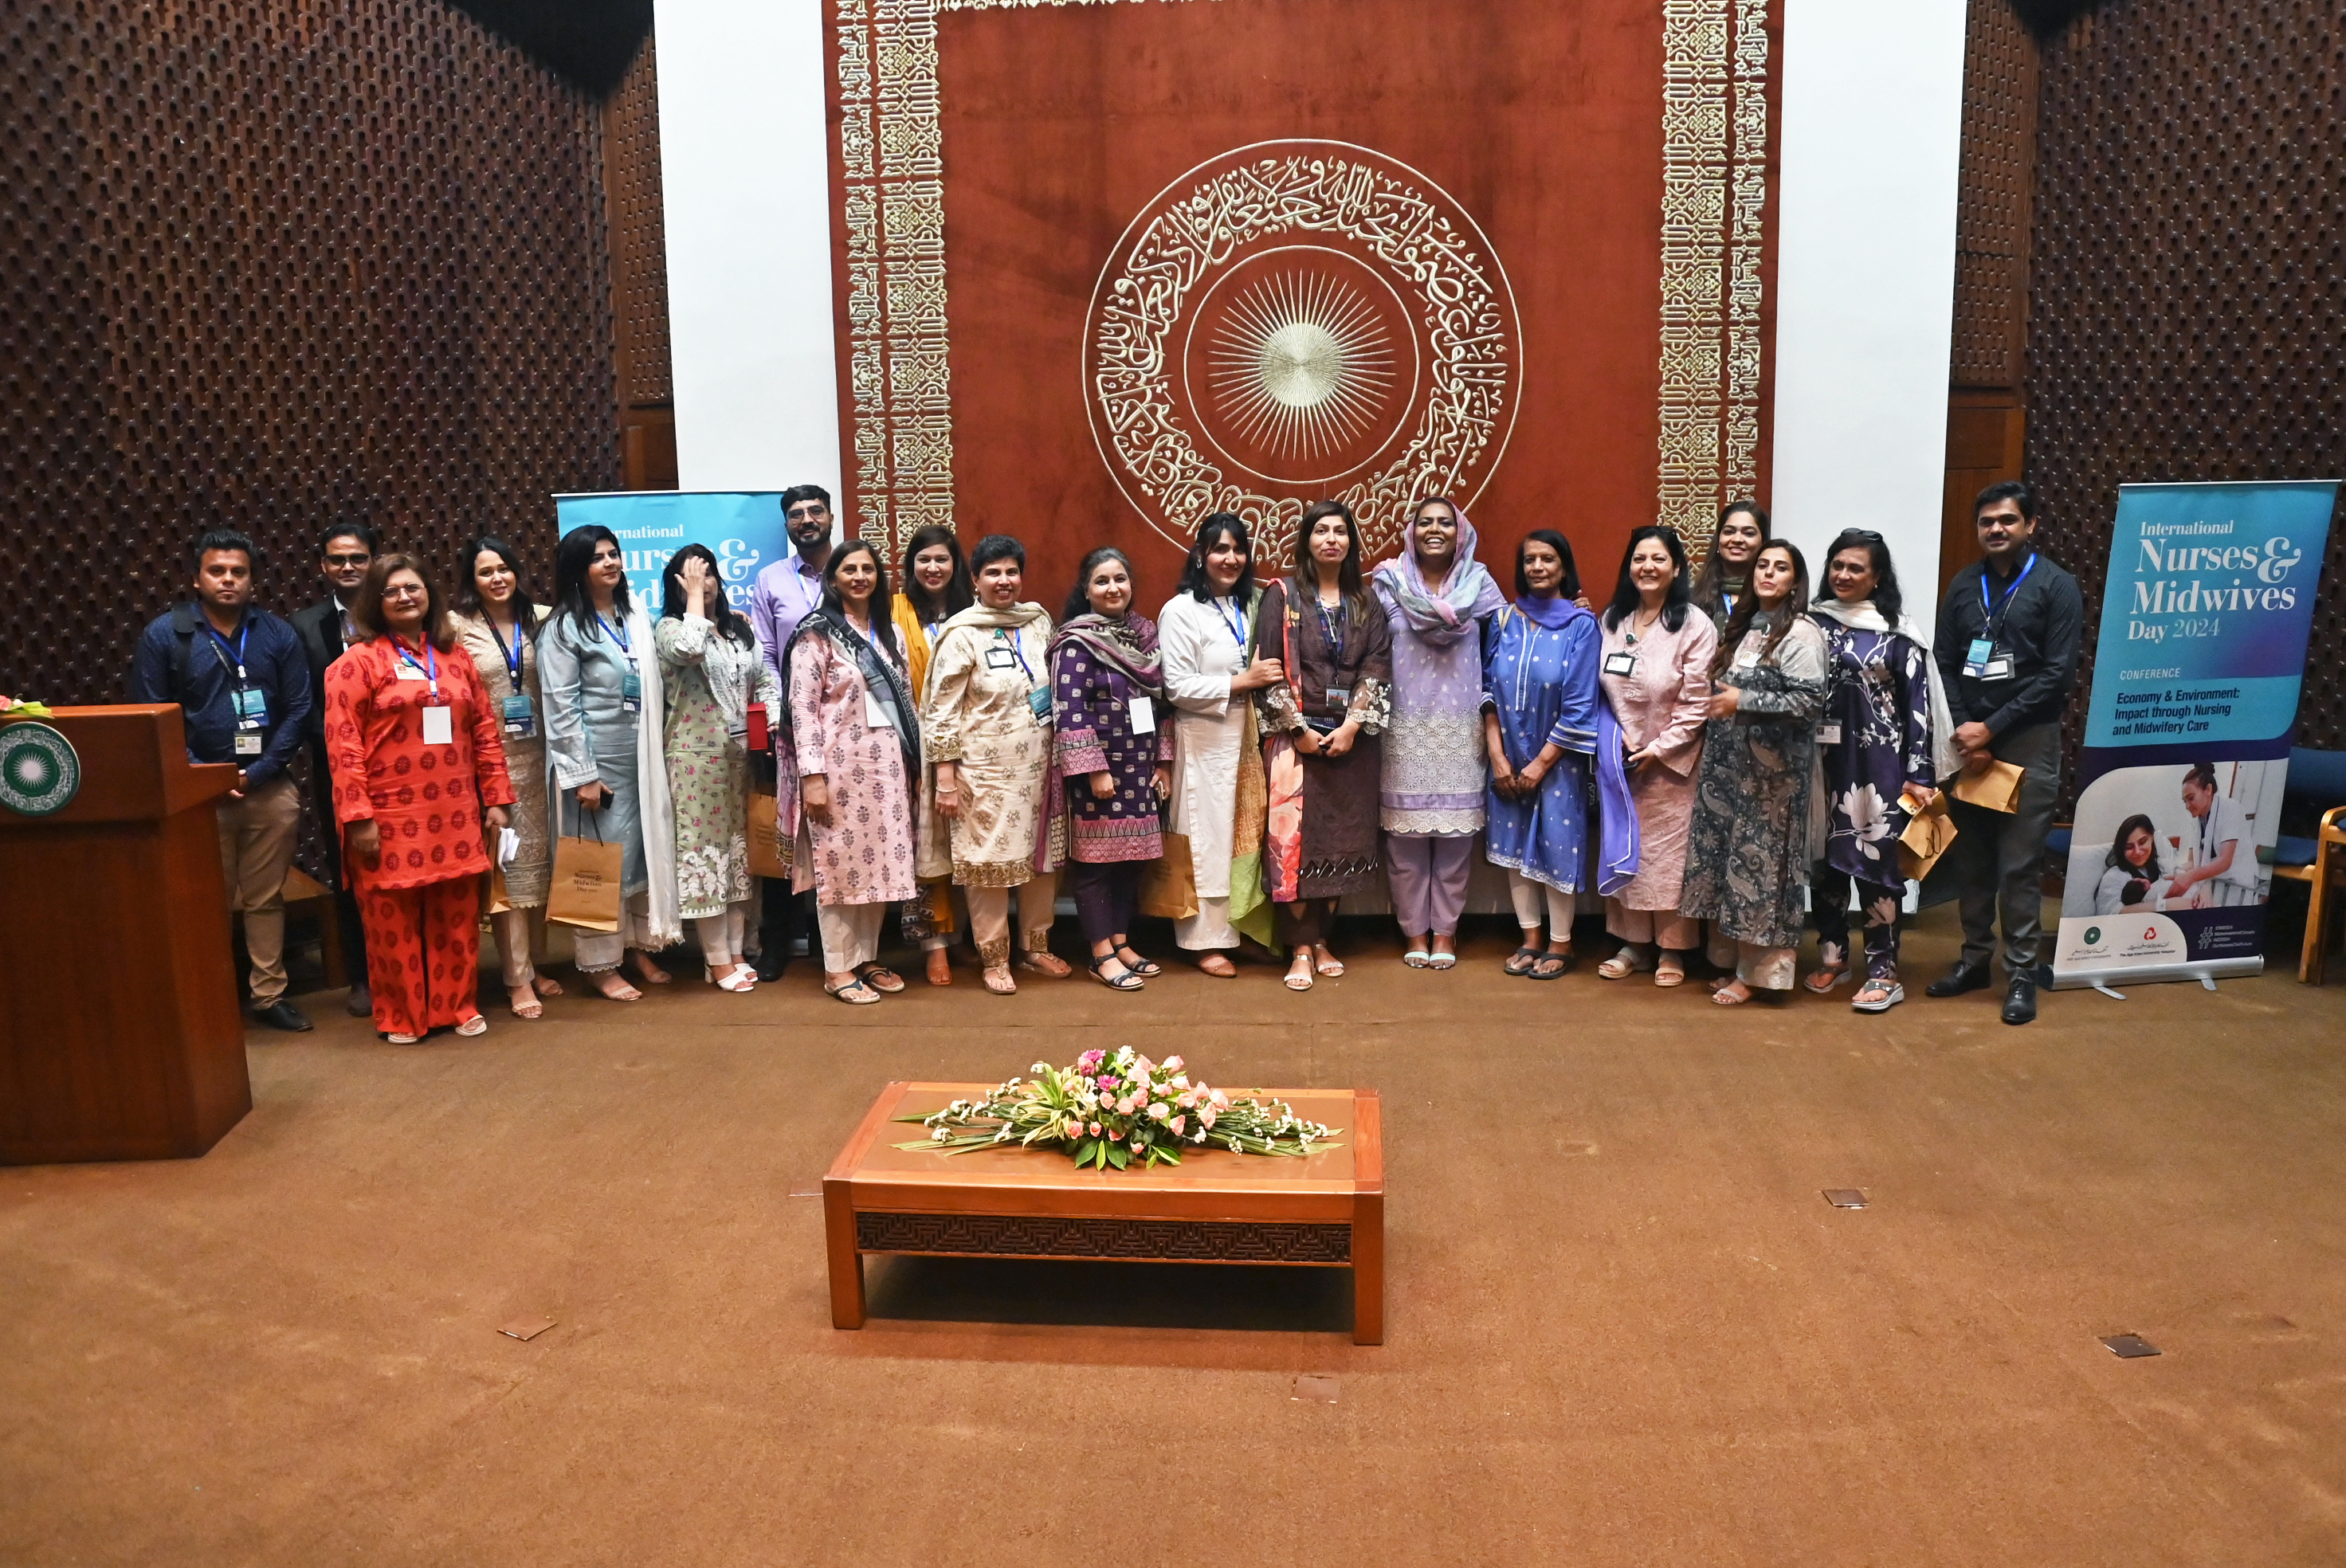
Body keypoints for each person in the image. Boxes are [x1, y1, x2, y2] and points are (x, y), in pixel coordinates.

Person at [321, 555, 516, 1043]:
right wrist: (357, 817)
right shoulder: (355, 663)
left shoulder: (456, 658)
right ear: (375, 601)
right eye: (391, 591)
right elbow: (343, 746)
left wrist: (496, 798)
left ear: (430, 594)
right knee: (392, 923)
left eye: (413, 588)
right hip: (387, 817)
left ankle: (457, 1006)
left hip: (455, 812)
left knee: (456, 917)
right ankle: (402, 1016)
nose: (404, 597)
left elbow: (485, 730)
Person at [128, 528, 316, 1031]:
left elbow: (299, 710)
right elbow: (153, 713)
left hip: (268, 789)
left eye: (238, 572)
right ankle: (209, 999)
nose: (228, 580)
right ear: (197, 578)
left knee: (265, 898)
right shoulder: (167, 635)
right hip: (196, 795)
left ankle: (268, 995)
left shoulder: (277, 634)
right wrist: (204, 775)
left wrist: (259, 771)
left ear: (252, 581)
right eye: (217, 571)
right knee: (202, 902)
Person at [1928, 480, 2085, 1025]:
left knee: (2018, 865)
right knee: (1972, 859)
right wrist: (1963, 728)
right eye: (1987, 521)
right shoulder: (1964, 584)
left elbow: (2057, 675)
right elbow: (1944, 660)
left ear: (2030, 525)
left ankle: (2020, 974)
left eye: (2008, 520)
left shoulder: (2056, 586)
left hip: (2026, 739)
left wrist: (1991, 728)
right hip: (1967, 739)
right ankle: (1975, 960)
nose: (1996, 529)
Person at [1805, 529, 1956, 1013]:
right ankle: (1833, 958)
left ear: (1877, 578)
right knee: (1824, 864)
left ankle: (1883, 971)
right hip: (1820, 765)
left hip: (1878, 768)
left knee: (1876, 866)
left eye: (1856, 568)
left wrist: (1920, 774)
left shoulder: (1898, 633)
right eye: (1838, 565)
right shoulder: (1811, 623)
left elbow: (1918, 708)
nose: (1844, 575)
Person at [1681, 540, 1830, 1004]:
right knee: (1732, 866)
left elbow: (1809, 703)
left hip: (1774, 782)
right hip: (1730, 772)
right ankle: (1736, 964)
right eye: (1762, 565)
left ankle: (1760, 976)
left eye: (1780, 567)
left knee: (1764, 872)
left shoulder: (1801, 633)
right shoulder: (1747, 626)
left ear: (1795, 581)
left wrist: (1741, 701)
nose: (1768, 573)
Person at [1253, 500, 1393, 993]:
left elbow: (1377, 665)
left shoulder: (1367, 601)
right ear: (1306, 541)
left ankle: (1322, 941)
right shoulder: (1282, 596)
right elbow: (1268, 669)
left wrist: (1352, 726)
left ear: (1351, 542)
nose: (1331, 539)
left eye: (1340, 531)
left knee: (1341, 842)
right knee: (1293, 843)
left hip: (1351, 742)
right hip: (1296, 742)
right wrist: (1297, 730)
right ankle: (1299, 948)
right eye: (1321, 531)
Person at [539, 525, 683, 1000]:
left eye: (614, 554)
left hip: (643, 759)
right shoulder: (563, 628)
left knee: (640, 856)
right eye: (598, 557)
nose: (611, 563)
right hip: (597, 766)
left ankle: (636, 946)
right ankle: (600, 964)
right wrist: (583, 775)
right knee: (602, 864)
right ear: (577, 569)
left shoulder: (633, 615)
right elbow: (560, 706)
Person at [921, 534, 1067, 994]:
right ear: (975, 580)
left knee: (1042, 860)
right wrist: (946, 778)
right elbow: (940, 711)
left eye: (1011, 571)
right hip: (982, 775)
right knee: (988, 866)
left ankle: (1036, 947)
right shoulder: (962, 633)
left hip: (1042, 769)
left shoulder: (1038, 621)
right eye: (993, 573)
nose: (1004, 581)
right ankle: (994, 957)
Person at [783, 539, 921, 1004]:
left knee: (878, 862)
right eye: (849, 569)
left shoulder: (889, 632)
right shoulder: (816, 634)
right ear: (833, 578)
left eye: (868, 569)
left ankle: (867, 956)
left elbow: (906, 703)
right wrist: (812, 776)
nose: (860, 577)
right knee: (840, 864)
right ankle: (837, 967)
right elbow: (802, 709)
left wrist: (915, 763)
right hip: (838, 767)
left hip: (887, 767)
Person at [1373, 496, 1508, 970]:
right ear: (1412, 533)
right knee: (1404, 841)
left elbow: (1507, 646)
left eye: (1445, 523)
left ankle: (1445, 932)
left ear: (1460, 533)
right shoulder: (1388, 582)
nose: (1435, 530)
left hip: (1460, 727)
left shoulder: (1481, 585)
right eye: (1425, 522)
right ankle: (1414, 930)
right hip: (1403, 727)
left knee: (1455, 841)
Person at [1159, 514, 1286, 975]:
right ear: (1200, 556)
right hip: (1204, 738)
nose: (1230, 559)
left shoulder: (1251, 605)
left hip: (1252, 738)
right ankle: (1205, 940)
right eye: (1219, 549)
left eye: (1238, 549)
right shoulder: (1180, 610)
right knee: (1208, 840)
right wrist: (1242, 681)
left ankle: (1241, 930)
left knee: (1247, 837)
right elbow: (1176, 686)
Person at [1595, 526, 1717, 986]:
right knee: (1626, 846)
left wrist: (1659, 748)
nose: (1647, 567)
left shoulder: (1694, 625)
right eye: (1639, 558)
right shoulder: (1613, 620)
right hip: (1621, 761)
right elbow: (1597, 690)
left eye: (1659, 559)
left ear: (1677, 568)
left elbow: (1697, 702)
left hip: (1672, 765)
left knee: (1668, 859)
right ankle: (1633, 944)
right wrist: (1615, 742)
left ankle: (1672, 948)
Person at [1049, 547, 1175, 991]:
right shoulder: (1076, 642)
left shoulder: (1144, 637)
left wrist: (1164, 762)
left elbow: (1162, 705)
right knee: (1096, 867)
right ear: (1086, 590)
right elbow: (1070, 710)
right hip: (1100, 776)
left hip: (1142, 770)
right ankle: (1100, 952)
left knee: (1131, 862)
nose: (1112, 588)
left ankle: (1121, 942)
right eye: (1101, 581)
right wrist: (1093, 770)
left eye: (1119, 579)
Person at [657, 543, 780, 993]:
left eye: (707, 574)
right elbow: (689, 649)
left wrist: (771, 716)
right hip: (695, 758)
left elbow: (763, 678)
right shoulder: (669, 628)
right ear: (676, 586)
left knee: (738, 855)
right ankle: (715, 958)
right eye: (690, 576)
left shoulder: (736, 629)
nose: (702, 583)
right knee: (705, 855)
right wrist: (693, 599)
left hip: (741, 756)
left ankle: (735, 950)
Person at [447, 535, 561, 1019]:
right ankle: (516, 978)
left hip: (543, 759)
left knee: (540, 868)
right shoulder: (457, 626)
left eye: (503, 568)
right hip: (491, 763)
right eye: (485, 572)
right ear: (472, 581)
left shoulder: (543, 618)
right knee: (508, 871)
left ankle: (534, 964)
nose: (497, 578)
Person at [1481, 530, 1602, 980]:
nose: (1537, 567)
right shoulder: (1503, 620)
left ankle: (1561, 942)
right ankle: (1530, 938)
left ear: (1564, 566)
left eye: (1548, 559)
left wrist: (1540, 764)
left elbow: (1580, 705)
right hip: (1507, 755)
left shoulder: (1581, 626)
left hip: (1558, 759)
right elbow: (1486, 691)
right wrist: (1498, 757)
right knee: (1513, 844)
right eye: (1529, 559)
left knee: (1557, 844)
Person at [747, 484, 838, 981]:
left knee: (834, 828)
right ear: (786, 525)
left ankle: (833, 944)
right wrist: (778, 710)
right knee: (785, 832)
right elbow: (763, 652)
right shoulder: (771, 579)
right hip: (787, 726)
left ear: (831, 517)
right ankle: (776, 941)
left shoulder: (852, 568)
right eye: (796, 514)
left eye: (815, 511)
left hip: (843, 727)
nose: (806, 520)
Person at [289, 521, 379, 1015]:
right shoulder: (304, 626)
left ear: (373, 562)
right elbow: (299, 700)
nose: (348, 567)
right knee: (350, 867)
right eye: (338, 559)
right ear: (324, 566)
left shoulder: (395, 612)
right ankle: (362, 976)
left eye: (358, 558)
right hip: (337, 769)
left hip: (404, 765)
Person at [891, 523, 975, 984]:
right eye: (924, 559)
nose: (933, 567)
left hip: (973, 743)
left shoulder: (974, 612)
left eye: (942, 558)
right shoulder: (894, 611)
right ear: (911, 566)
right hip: (913, 742)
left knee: (962, 841)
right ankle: (933, 945)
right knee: (924, 845)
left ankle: (958, 935)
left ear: (955, 564)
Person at [2168, 762, 2261, 907]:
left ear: (2208, 790)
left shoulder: (2230, 809)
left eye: (2191, 798)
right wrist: (2174, 870)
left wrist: (2191, 877)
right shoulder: (2197, 822)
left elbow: (2225, 861)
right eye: (2185, 801)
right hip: (2212, 882)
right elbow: (2193, 863)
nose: (2187, 806)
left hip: (2235, 885)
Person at [1689, 500, 1770, 630]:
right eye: (1729, 532)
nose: (1737, 540)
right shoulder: (1691, 596)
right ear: (1718, 540)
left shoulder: (1772, 596)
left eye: (1748, 533)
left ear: (1763, 542)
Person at [2092, 813, 2171, 915]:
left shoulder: (2162, 865)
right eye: (2129, 847)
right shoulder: (2114, 876)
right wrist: (2165, 906)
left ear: (2152, 838)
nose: (2137, 852)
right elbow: (2110, 913)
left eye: (2142, 842)